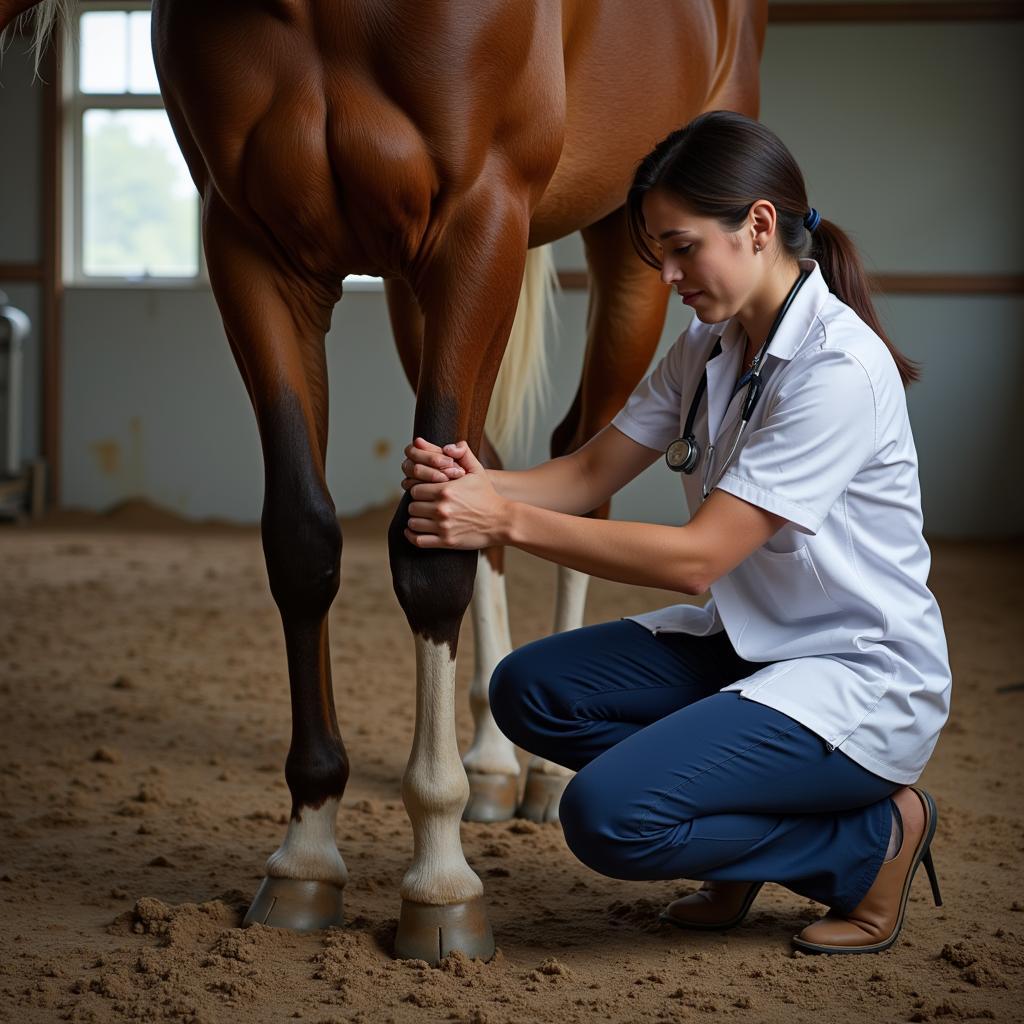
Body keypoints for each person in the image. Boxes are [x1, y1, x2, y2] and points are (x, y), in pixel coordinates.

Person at [398, 110, 951, 954]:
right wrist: (471, 478)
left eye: (682, 246)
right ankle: (737, 833)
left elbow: (698, 560)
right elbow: (587, 474)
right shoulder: (709, 346)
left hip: (856, 676)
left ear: (759, 226)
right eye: (657, 250)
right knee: (528, 690)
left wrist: (500, 518)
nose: (665, 274)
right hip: (751, 643)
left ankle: (870, 842)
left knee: (609, 819)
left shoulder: (838, 369)